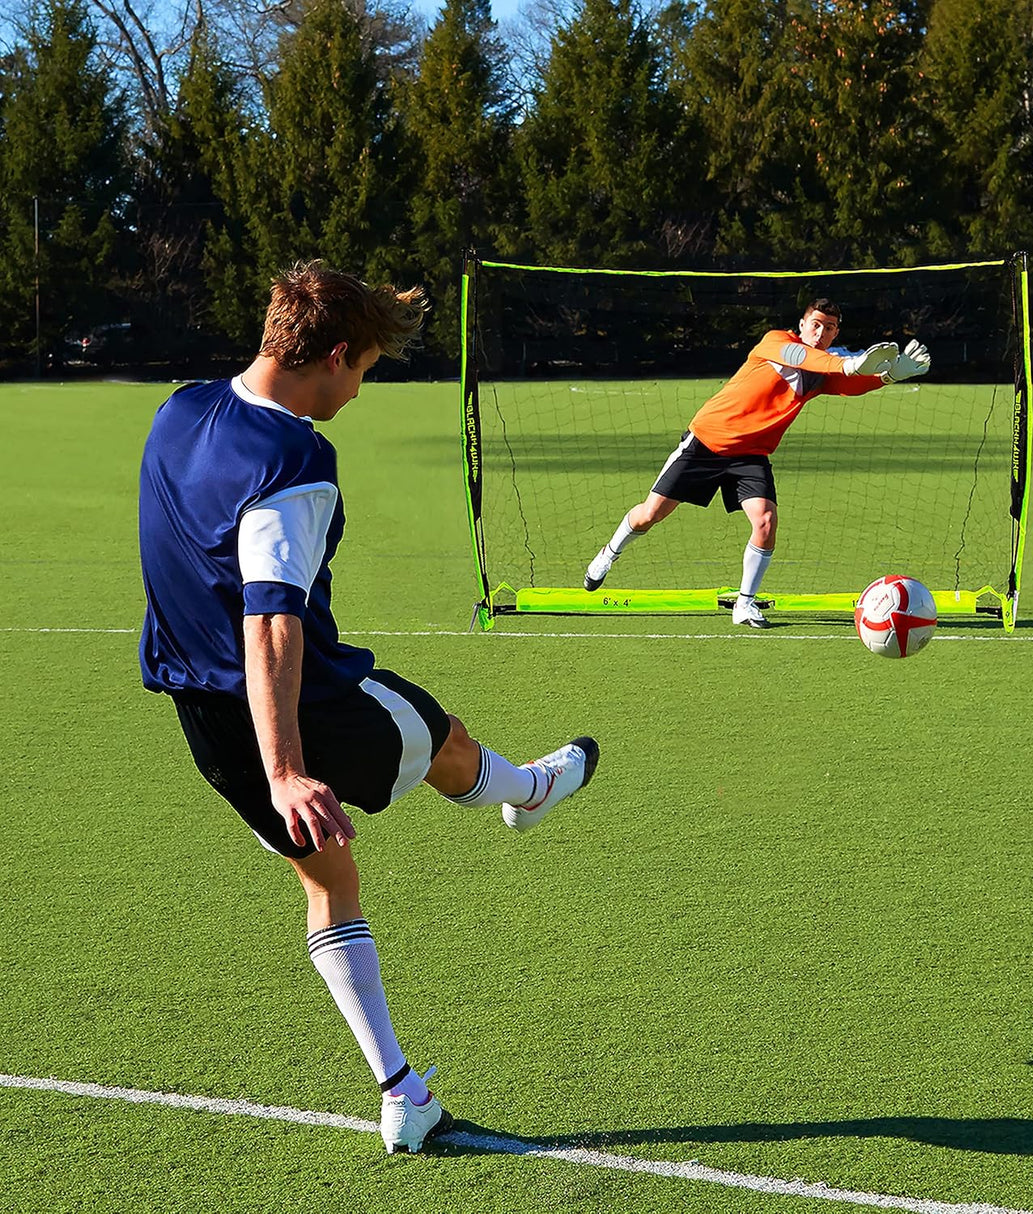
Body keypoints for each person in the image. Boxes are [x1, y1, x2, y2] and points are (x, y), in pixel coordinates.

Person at [138, 260, 599, 1155]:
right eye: (367, 368)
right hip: (308, 702)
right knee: (440, 738)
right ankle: (525, 792)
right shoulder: (297, 461)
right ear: (337, 354)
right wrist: (288, 768)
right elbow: (272, 621)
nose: (361, 387)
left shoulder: (180, 408)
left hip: (197, 705)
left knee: (327, 878)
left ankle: (404, 1098)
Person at [582, 299, 931, 627]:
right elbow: (807, 357)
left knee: (765, 521)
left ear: (836, 333)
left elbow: (848, 384)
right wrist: (849, 364)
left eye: (830, 328)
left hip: (752, 455)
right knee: (650, 514)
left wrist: (887, 377)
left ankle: (744, 603)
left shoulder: (823, 368)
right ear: (802, 324)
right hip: (707, 441)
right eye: (816, 325)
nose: (821, 333)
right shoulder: (776, 341)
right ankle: (609, 554)